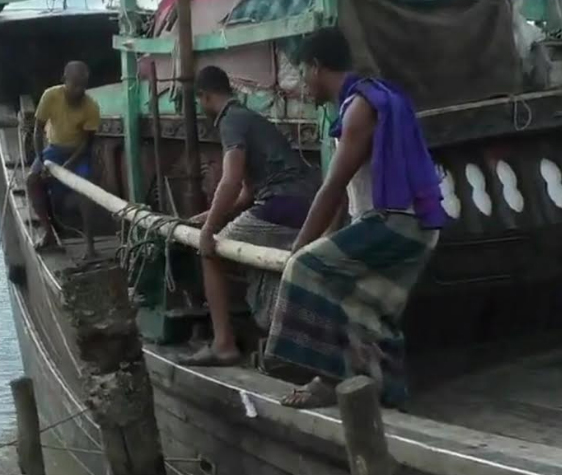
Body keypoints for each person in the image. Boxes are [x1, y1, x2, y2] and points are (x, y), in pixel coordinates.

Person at [263, 27, 446, 409]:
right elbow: (346, 200)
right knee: (364, 311)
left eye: (301, 72)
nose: (300, 85)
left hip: (397, 224)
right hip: (412, 225)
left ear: (316, 67)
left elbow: (332, 188)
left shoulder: (360, 107)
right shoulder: (362, 100)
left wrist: (299, 250)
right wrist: (324, 240)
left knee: (304, 270)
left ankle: (318, 376)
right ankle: (388, 395)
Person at [179, 65, 320, 367]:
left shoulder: (229, 120)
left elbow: (230, 180)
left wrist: (209, 232)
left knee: (211, 252)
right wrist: (206, 217)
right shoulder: (249, 117)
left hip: (281, 205)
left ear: (204, 97)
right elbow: (245, 192)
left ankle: (223, 344)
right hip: (306, 205)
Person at [28, 61, 101, 252]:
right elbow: (37, 130)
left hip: (79, 153)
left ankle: (90, 247)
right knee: (32, 180)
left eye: (83, 85)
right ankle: (48, 233)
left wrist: (69, 164)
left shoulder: (91, 107)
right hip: (54, 149)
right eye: (75, 84)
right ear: (64, 80)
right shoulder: (50, 96)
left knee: (86, 190)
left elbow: (87, 143)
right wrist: (42, 160)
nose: (79, 90)